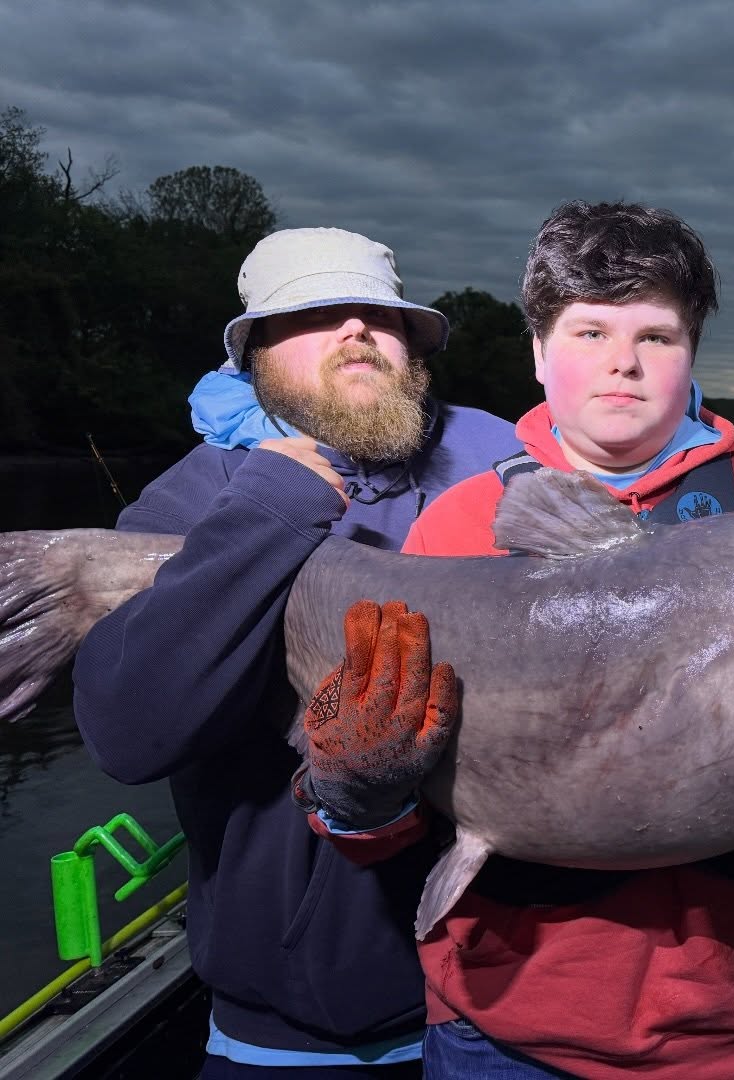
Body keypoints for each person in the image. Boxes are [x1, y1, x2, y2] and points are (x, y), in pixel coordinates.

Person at [296, 201, 734, 1080]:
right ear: (540, 353)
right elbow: (382, 831)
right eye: (589, 330)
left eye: (656, 336)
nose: (623, 361)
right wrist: (358, 789)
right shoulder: (459, 524)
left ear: (692, 353)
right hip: (504, 1027)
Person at [70, 227, 519, 1076]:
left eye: (380, 317)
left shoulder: (496, 464)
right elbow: (126, 732)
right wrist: (275, 503)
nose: (356, 330)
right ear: (255, 356)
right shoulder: (198, 495)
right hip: (303, 1035)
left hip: (509, 1006)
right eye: (316, 315)